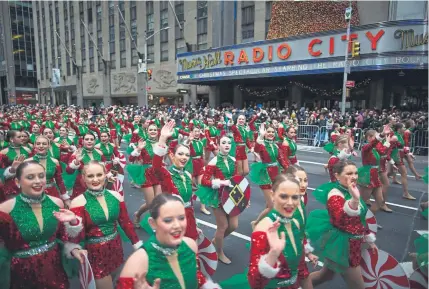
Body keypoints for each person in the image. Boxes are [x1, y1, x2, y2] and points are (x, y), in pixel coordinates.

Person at [0, 161, 86, 289]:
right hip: (22, 275)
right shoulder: (5, 210)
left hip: (55, 270)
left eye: (41, 176)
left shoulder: (57, 203)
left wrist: (73, 247)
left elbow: (62, 238)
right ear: (18, 182)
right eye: (30, 177)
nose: (38, 181)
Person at [57, 161, 142, 289]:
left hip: (116, 248)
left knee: (115, 280)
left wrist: (137, 244)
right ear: (84, 178)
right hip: (95, 255)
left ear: (105, 175)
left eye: (99, 175)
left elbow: (126, 223)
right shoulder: (78, 202)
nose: (95, 179)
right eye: (90, 176)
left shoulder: (116, 196)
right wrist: (74, 222)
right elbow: (75, 236)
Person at [116, 193, 221, 289]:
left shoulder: (191, 245)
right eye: (168, 220)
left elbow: (196, 276)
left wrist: (207, 286)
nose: (177, 225)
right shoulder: (139, 261)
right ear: (152, 223)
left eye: (181, 218)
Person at [307, 160, 377, 289]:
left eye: (356, 173)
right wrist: (355, 200)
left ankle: (303, 284)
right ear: (337, 175)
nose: (354, 177)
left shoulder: (350, 190)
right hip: (343, 247)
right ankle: (302, 283)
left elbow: (359, 219)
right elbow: (343, 221)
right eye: (349, 173)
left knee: (325, 276)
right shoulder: (334, 195)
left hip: (351, 243)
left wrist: (368, 238)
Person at [247, 174, 308, 289]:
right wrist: (273, 254)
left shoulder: (294, 222)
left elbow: (298, 263)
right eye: (284, 196)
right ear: (272, 195)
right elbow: (255, 283)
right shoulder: (263, 229)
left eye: (295, 197)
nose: (290, 203)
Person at [196, 134, 238, 265]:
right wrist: (220, 183)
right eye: (223, 143)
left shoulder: (233, 160)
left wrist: (243, 198)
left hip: (231, 196)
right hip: (217, 196)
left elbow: (236, 179)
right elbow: (204, 180)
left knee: (233, 225)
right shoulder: (213, 162)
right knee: (223, 226)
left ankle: (215, 241)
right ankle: (219, 252)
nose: (226, 145)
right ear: (218, 145)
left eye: (229, 143)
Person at [250, 123, 289, 228]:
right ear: (265, 133)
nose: (271, 133)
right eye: (268, 132)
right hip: (265, 175)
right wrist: (260, 136)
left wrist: (290, 171)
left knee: (270, 203)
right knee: (272, 205)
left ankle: (267, 222)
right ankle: (256, 223)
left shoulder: (275, 145)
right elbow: (257, 149)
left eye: (272, 132)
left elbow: (281, 160)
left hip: (276, 175)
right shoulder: (262, 145)